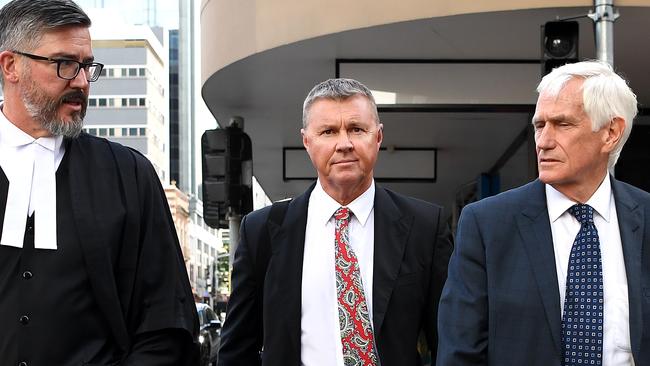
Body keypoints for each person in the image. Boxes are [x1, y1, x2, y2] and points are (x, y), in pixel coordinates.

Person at [0, 0, 198, 365]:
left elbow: (167, 323)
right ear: (11, 65)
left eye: (87, 66)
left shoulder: (129, 176)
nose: (80, 82)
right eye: (64, 64)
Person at [218, 78, 452, 365]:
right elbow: (236, 350)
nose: (344, 144)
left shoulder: (425, 227)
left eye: (356, 129)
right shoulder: (261, 232)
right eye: (328, 131)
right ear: (307, 141)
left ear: (377, 137)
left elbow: (450, 342)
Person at [437, 60, 649, 365]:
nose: (544, 142)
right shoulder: (487, 226)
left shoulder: (645, 217)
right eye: (540, 125)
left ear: (611, 133)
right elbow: (460, 351)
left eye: (563, 124)